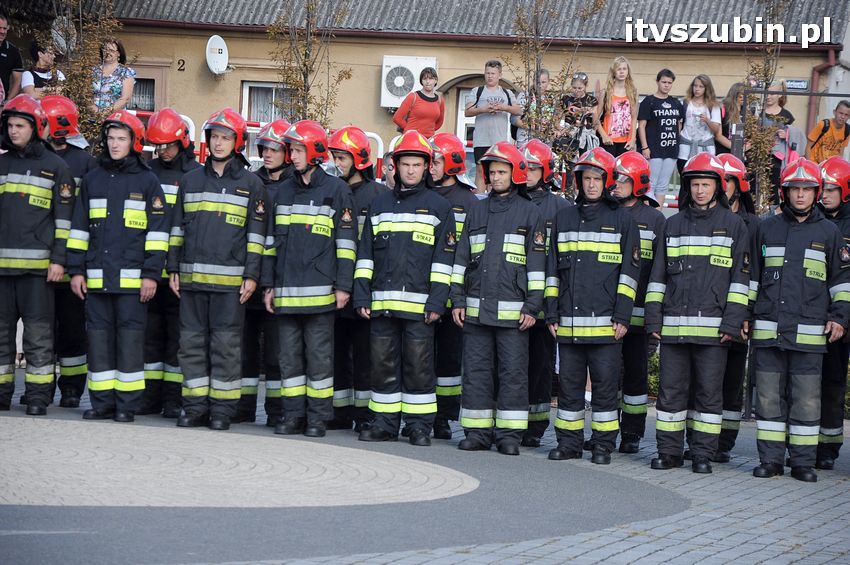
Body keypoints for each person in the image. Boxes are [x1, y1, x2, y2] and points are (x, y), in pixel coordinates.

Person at [645, 153, 750, 474]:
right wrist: (653, 319)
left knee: (708, 396)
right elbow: (657, 277)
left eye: (706, 184)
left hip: (714, 332)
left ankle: (703, 454)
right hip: (674, 329)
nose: (700, 190)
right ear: (687, 187)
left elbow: (740, 280)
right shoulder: (672, 225)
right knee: (671, 395)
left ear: (718, 187)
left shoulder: (733, 226)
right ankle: (669, 452)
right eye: (695, 184)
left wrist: (732, 322)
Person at [750, 158, 850, 483]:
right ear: (785, 192)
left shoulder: (829, 232)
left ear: (816, 192)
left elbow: (841, 282)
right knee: (767, 398)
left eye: (807, 190)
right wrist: (743, 317)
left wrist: (839, 318)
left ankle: (803, 462)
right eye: (796, 190)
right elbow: (752, 278)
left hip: (809, 335)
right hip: (769, 330)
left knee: (807, 400)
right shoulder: (766, 229)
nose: (801, 196)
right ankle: (771, 460)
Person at [167, 107, 267, 431]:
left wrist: (252, 275)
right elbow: (177, 229)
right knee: (191, 346)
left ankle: (222, 410)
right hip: (192, 281)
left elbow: (256, 236)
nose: (219, 143)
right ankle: (194, 407)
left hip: (230, 285)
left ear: (237, 142)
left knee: (225, 348)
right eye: (214, 137)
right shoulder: (191, 180)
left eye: (225, 137)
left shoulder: (251, 184)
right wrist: (173, 268)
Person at [353, 130, 455, 446]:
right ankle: (384, 424)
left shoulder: (439, 207)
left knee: (419, 368)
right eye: (405, 164)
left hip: (420, 308)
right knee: (382, 366)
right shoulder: (380, 204)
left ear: (427, 168)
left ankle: (419, 427)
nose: (411, 170)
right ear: (395, 166)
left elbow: (443, 262)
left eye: (417, 164)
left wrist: (437, 302)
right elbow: (365, 253)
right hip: (381, 304)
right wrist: (361, 294)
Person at [67, 112, 168, 422]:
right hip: (96, 280)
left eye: (121, 138)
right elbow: (79, 227)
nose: (114, 144)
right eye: (110, 138)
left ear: (134, 142)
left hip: (133, 282)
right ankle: (101, 404)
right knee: (98, 342)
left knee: (129, 344)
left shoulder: (148, 181)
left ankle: (126, 406)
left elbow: (158, 234)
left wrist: (151, 275)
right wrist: (76, 270)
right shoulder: (93, 179)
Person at [544, 147, 641, 464]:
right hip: (568, 324)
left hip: (606, 326)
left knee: (603, 390)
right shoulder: (564, 218)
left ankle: (602, 446)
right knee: (569, 389)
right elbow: (552, 270)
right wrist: (551, 311)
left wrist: (623, 316)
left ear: (607, 181)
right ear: (578, 181)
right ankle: (568, 444)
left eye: (597, 178)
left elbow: (630, 273)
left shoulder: (623, 220)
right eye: (586, 178)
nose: (591, 185)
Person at [261, 120, 355, 438]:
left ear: (314, 151)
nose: (294, 155)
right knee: (288, 360)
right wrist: (268, 285)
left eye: (299, 149)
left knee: (319, 361)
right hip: (286, 293)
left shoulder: (337, 191)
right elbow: (272, 244)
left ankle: (317, 418)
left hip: (321, 296)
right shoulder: (283, 191)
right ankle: (292, 416)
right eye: (292, 149)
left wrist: (343, 286)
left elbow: (346, 245)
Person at [450, 141, 545, 455]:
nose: (497, 177)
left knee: (513, 374)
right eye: (493, 172)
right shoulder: (476, 209)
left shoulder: (530, 213)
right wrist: (458, 300)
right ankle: (476, 433)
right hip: (476, 310)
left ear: (515, 173)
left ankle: (508, 436)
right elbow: (461, 259)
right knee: (476, 371)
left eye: (502, 171)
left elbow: (537, 265)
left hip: (514, 314)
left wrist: (533, 306)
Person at [0, 94, 74, 415]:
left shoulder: (56, 168)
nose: (13, 131)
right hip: (1, 270)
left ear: (36, 128)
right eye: (10, 125)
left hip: (38, 271)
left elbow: (64, 221)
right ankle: (2, 395)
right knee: (1, 336)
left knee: (39, 337)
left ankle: (38, 397)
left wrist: (59, 259)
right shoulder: (1, 165)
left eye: (20, 125)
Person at [137, 107, 201, 418]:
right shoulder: (146, 172)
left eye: (168, 145)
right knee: (150, 337)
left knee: (179, 339)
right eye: (158, 146)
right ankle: (149, 398)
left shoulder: (194, 175)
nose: (163, 151)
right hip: (151, 269)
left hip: (180, 271)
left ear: (183, 141)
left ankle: (175, 399)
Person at [327, 125, 388, 432]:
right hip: (335, 285)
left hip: (365, 288)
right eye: (335, 156)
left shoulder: (378, 196)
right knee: (336, 353)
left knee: (366, 356)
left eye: (342, 157)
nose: (336, 163)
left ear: (359, 159)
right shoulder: (330, 190)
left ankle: (365, 415)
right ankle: (339, 412)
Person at [41, 95, 97, 408]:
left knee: (74, 330)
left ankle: (72, 389)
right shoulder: (33, 157)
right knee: (42, 331)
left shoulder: (85, 161)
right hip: (40, 258)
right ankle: (42, 386)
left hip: (74, 259)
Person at [234, 119, 290, 426]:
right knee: (245, 349)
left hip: (279, 280)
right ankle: (243, 408)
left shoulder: (294, 186)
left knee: (276, 353)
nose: (267, 154)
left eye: (274, 148)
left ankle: (277, 411)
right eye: (264, 148)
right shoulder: (253, 182)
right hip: (249, 276)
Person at [610, 151, 666, 453]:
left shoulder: (655, 221)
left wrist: (654, 317)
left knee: (635, 376)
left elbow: (658, 272)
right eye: (615, 178)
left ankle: (632, 434)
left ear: (638, 183)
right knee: (608, 377)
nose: (616, 185)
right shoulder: (607, 213)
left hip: (640, 316)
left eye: (622, 180)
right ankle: (605, 431)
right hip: (608, 314)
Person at [519, 139, 570, 446]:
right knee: (512, 366)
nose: (528, 172)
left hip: (545, 305)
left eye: (534, 168)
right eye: (524, 166)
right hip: (513, 298)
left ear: (546, 170)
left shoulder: (561, 209)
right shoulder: (511, 202)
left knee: (540, 367)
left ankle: (535, 427)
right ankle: (511, 418)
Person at [428, 132, 479, 439]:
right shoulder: (423, 194)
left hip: (455, 295)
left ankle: (444, 417)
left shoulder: (468, 201)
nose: (430, 166)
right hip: (427, 291)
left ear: (451, 162)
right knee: (423, 357)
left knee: (449, 360)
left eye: (435, 160)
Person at [710, 153, 759, 462]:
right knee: (705, 381)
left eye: (726, 181)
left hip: (738, 315)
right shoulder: (707, 219)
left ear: (738, 185)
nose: (721, 186)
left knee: (730, 381)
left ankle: (724, 442)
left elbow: (754, 272)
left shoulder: (754, 226)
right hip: (710, 313)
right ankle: (702, 438)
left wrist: (747, 313)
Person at [815, 156, 850, 469]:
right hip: (812, 315)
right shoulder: (810, 218)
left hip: (842, 321)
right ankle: (805, 443)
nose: (824, 195)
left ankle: (827, 449)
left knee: (833, 384)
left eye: (831, 189)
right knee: (808, 384)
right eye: (822, 189)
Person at [465, 60, 522, 192]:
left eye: (493, 73)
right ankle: (479, 201)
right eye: (487, 73)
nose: (490, 76)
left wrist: (504, 107)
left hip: (499, 141)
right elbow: (467, 111)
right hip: (481, 139)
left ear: (499, 75)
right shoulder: (477, 91)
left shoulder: (507, 93)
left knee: (496, 172)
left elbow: (518, 110)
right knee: (480, 171)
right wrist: (484, 109)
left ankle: (494, 200)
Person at [638, 69, 682, 206]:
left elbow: (679, 123)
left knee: (663, 186)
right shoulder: (649, 101)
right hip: (654, 149)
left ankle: (658, 218)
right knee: (650, 184)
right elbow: (641, 125)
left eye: (669, 83)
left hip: (671, 149)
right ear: (657, 82)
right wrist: (645, 147)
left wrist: (677, 140)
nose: (666, 85)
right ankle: (648, 217)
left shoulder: (675, 102)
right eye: (664, 82)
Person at [555, 71, 599, 171]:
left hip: (585, 135)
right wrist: (560, 129)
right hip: (569, 134)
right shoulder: (565, 99)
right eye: (574, 88)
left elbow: (595, 123)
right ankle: (568, 184)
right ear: (571, 86)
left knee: (585, 163)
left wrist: (592, 113)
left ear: (586, 86)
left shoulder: (591, 100)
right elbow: (556, 119)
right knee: (569, 163)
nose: (577, 91)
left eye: (580, 88)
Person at [677, 75, 721, 175]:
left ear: (707, 89)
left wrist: (707, 121)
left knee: (705, 176)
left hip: (706, 147)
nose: (697, 89)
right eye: (695, 86)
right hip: (686, 146)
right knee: (685, 177)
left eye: (701, 87)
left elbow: (716, 129)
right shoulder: (685, 103)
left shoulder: (713, 105)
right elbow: (679, 123)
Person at [597, 56, 637, 157]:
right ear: (614, 72)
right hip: (609, 141)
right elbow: (595, 118)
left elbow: (634, 118)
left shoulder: (633, 92)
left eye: (624, 69)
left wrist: (633, 139)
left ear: (628, 71)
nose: (622, 72)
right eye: (619, 69)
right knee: (608, 171)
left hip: (626, 142)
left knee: (622, 171)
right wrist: (604, 136)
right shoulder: (605, 92)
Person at [393, 67, 444, 138]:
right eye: (425, 79)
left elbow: (439, 122)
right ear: (421, 81)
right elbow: (397, 118)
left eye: (431, 78)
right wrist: (409, 131)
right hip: (411, 139)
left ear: (435, 80)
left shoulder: (440, 100)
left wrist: (428, 132)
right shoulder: (413, 97)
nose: (428, 81)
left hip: (428, 141)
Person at [90, 38, 135, 114]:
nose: (107, 53)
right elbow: (86, 95)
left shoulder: (126, 72)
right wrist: (95, 111)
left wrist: (106, 112)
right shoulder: (92, 71)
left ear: (118, 53)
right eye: (105, 50)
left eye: (111, 50)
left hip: (115, 117)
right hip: (92, 115)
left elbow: (125, 98)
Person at [514, 69, 556, 146]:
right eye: (538, 82)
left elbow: (553, 120)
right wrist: (532, 126)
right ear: (533, 81)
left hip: (545, 141)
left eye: (543, 82)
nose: (540, 85)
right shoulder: (525, 96)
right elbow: (514, 120)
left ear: (548, 82)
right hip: (526, 140)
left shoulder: (551, 98)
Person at [715, 82, 748, 155]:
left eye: (746, 94)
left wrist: (746, 147)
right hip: (724, 152)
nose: (743, 97)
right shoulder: (723, 109)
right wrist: (735, 147)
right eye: (741, 94)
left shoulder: (748, 112)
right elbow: (718, 135)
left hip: (742, 153)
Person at [0, 13, 24, 103]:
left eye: (5, 28)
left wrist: (7, 102)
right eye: (0, 28)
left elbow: (18, 80)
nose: (2, 32)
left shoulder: (13, 51)